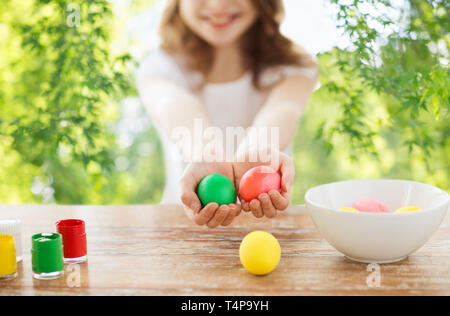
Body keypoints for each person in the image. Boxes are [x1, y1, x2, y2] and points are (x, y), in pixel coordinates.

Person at [137, 0, 318, 228]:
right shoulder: (160, 67)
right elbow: (175, 106)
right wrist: (207, 154)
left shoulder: (294, 66)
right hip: (180, 232)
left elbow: (282, 110)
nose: (217, 5)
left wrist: (255, 156)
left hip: (270, 232)